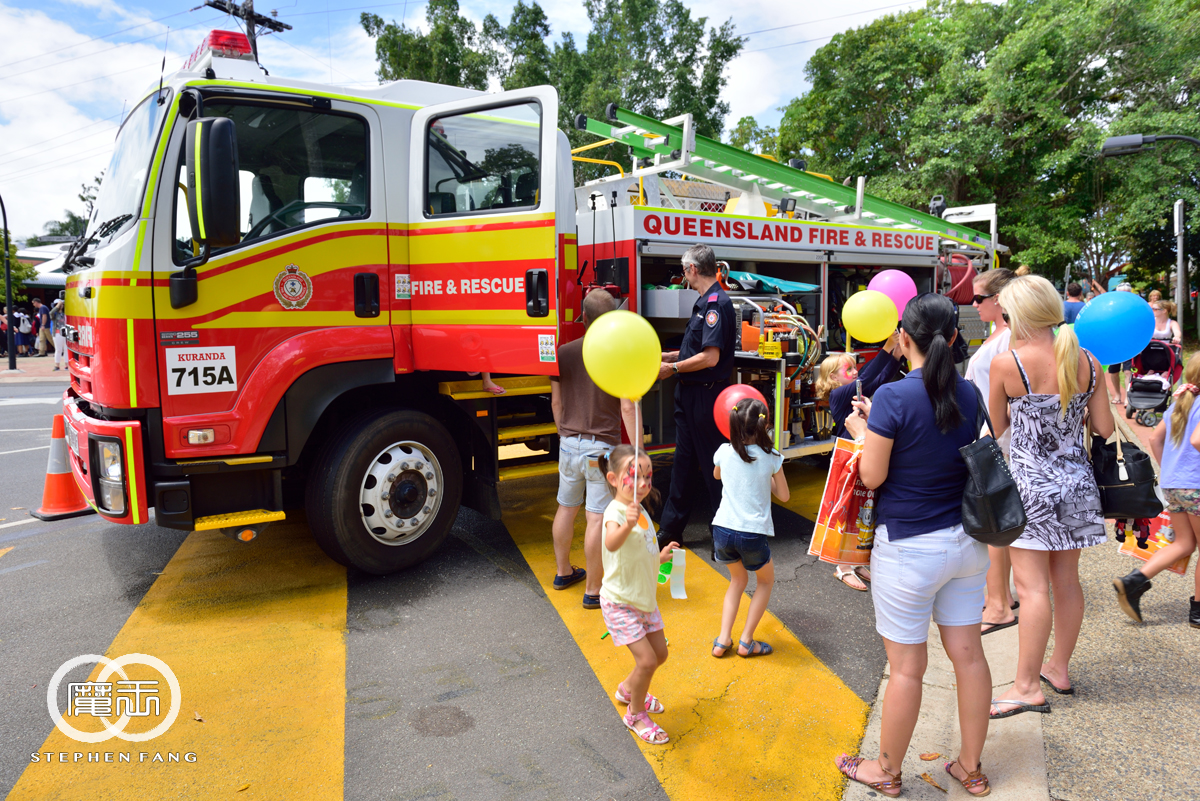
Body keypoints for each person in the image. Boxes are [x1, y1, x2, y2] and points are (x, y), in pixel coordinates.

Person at [837, 293, 992, 798]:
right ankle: (971, 767)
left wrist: (863, 430)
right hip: (966, 545)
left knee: (907, 668)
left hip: (907, 549)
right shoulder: (971, 394)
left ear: (904, 339)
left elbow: (872, 474)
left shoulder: (892, 398)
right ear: (952, 338)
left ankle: (885, 770)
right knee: (969, 657)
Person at [988, 275, 1114, 713]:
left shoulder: (1008, 363)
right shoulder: (1089, 362)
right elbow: (1105, 429)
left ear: (1017, 315)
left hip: (1030, 488)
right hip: (1078, 485)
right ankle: (1057, 668)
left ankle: (1025, 687)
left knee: (1032, 588)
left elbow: (998, 428)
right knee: (1067, 583)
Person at [549, 289, 640, 608]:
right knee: (596, 518)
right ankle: (593, 590)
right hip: (600, 451)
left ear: (583, 318)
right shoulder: (618, 356)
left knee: (566, 507)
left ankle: (563, 572)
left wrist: (565, 434)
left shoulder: (564, 352)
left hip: (569, 444)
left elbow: (557, 402)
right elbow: (627, 408)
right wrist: (637, 453)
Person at [598, 445, 680, 745]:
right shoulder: (617, 512)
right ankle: (635, 714)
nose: (644, 484)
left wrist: (661, 556)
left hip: (643, 600)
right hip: (620, 602)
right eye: (635, 476)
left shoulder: (641, 509)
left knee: (660, 654)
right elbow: (611, 543)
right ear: (614, 478)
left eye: (648, 476)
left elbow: (641, 553)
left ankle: (627, 689)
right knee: (646, 660)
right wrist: (627, 524)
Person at [656, 244, 736, 548]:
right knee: (684, 464)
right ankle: (672, 529)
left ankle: (723, 536)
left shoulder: (716, 304)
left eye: (683, 269)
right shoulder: (704, 302)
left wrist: (673, 367)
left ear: (692, 270)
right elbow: (696, 350)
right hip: (689, 395)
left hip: (706, 397)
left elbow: (710, 358)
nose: (682, 275)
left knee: (714, 467)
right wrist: (668, 354)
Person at [1114, 354, 1200, 628]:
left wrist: (1170, 470)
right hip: (1196, 485)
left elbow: (1154, 438)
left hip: (1174, 484)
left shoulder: (1181, 402)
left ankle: (1133, 582)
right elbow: (1198, 441)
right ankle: (1198, 611)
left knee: (1184, 543)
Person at [815, 332, 904, 590]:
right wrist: (886, 349)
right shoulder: (840, 395)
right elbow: (867, 379)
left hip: (861, 453)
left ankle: (854, 561)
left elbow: (880, 379)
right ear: (833, 378)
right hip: (847, 456)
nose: (855, 372)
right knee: (847, 509)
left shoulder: (853, 391)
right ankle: (841, 567)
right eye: (849, 369)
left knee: (863, 508)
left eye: (855, 368)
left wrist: (896, 357)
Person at [710, 398, 789, 658]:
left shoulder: (723, 451)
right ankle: (746, 641)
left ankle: (722, 640)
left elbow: (717, 475)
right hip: (752, 533)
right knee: (764, 582)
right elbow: (785, 496)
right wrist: (767, 480)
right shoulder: (772, 458)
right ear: (764, 425)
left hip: (722, 529)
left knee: (737, 580)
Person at [965, 268, 1019, 636]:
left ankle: (998, 604)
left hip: (995, 438)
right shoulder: (1000, 336)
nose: (973, 304)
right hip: (991, 435)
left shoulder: (1009, 337)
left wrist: (991, 431)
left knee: (994, 522)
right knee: (998, 519)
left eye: (979, 298)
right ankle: (1002, 597)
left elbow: (1016, 392)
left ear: (999, 299)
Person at [50, 298, 67, 372]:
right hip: (57, 333)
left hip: (65, 333)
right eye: (60, 304)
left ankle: (67, 365)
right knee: (58, 349)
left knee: (66, 349)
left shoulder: (65, 313)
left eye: (62, 304)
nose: (61, 306)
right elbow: (51, 313)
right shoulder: (54, 314)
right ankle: (57, 365)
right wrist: (58, 306)